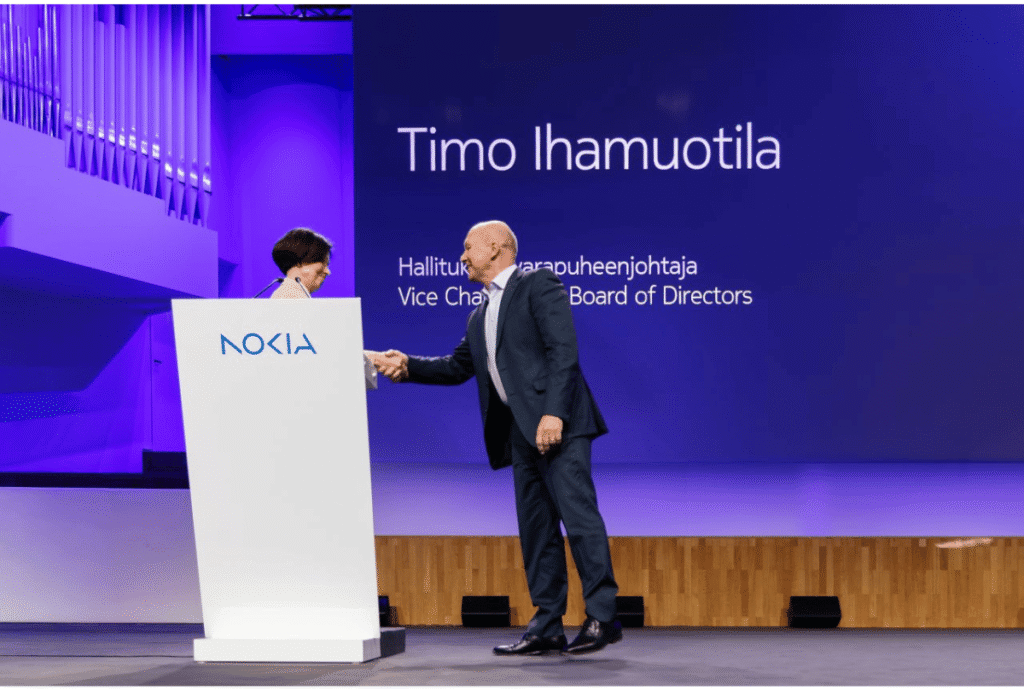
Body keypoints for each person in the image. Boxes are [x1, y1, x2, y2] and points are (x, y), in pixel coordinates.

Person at [376, 220, 621, 656]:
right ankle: (547, 624)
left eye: (468, 247)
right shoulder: (480, 314)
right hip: (520, 434)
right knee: (536, 531)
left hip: (558, 425)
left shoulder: (537, 284)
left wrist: (554, 414)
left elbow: (563, 350)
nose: (462, 257)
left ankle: (603, 617)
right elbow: (457, 366)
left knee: (579, 520)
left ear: (496, 248)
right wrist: (408, 365)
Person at [269, 227, 380, 389]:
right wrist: (377, 359)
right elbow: (325, 353)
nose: (327, 271)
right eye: (323, 263)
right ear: (301, 262)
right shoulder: (290, 299)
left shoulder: (293, 295)